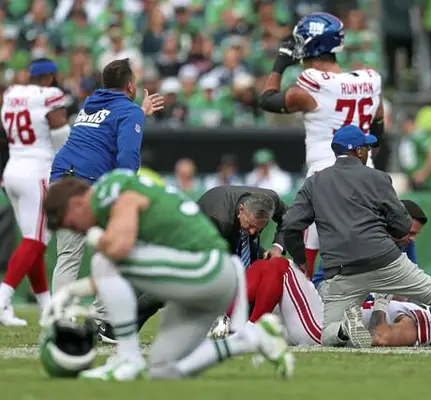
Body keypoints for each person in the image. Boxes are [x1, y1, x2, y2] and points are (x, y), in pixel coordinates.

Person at [42, 169, 294, 381]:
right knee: (162, 370)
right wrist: (75, 289)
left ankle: (128, 357)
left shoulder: (110, 190)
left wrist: (74, 285)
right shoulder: (112, 192)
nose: (77, 230)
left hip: (209, 268)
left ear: (76, 204)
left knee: (104, 258)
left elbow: (120, 248)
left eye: (71, 224)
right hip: (208, 275)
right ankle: (253, 338)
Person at [281, 124, 431, 349]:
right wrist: (386, 231)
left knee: (327, 334)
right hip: (383, 260)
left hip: (342, 270)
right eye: (366, 147)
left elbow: (291, 224)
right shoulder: (377, 178)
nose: (368, 151)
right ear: (359, 151)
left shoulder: (314, 183)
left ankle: (343, 329)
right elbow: (402, 224)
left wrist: (301, 258)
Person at [259, 12, 385, 279]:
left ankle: (309, 303)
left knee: (306, 257)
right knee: (364, 254)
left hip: (324, 176)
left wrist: (281, 62)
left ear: (311, 44)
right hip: (367, 175)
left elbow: (267, 99)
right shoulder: (369, 80)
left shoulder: (312, 85)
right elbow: (378, 127)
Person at [49, 58, 164, 340]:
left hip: (60, 179)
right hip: (87, 185)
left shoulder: (90, 103)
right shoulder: (129, 110)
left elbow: (109, 124)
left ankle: (59, 320)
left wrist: (139, 113)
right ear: (130, 86)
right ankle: (101, 319)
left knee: (68, 256)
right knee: (114, 251)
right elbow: (127, 156)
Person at [212, 257, 431, 348]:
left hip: (321, 328)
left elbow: (382, 337)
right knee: (265, 267)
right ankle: (223, 319)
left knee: (281, 267)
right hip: (321, 315)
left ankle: (246, 328)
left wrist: (381, 302)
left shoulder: (428, 320)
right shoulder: (416, 308)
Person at [0, 58, 70, 325]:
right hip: (37, 171)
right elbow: (60, 130)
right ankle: (2, 299)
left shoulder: (12, 93)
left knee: (33, 243)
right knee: (36, 241)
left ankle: (46, 307)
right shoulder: (49, 95)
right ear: (50, 77)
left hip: (12, 168)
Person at [197, 186, 288, 269]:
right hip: (207, 241)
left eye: (258, 227)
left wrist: (278, 247)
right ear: (241, 209)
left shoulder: (270, 201)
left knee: (270, 264)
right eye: (250, 224)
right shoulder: (219, 220)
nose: (252, 232)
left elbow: (289, 218)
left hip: (238, 235)